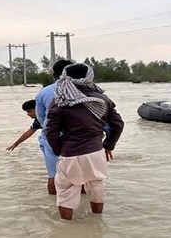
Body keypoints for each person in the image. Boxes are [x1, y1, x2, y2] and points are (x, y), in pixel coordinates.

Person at [46, 63, 124, 220]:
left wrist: (58, 149)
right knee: (96, 187)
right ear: (90, 77)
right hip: (96, 151)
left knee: (66, 192)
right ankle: (97, 221)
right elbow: (118, 124)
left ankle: (67, 231)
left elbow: (50, 131)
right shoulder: (103, 99)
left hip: (70, 153)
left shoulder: (60, 101)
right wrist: (108, 146)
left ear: (64, 76)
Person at [34, 59, 75, 194]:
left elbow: (40, 118)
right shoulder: (86, 90)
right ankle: (86, 210)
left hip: (52, 137)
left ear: (54, 74)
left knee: (53, 175)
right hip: (79, 139)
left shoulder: (44, 92)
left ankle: (53, 208)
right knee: (83, 177)